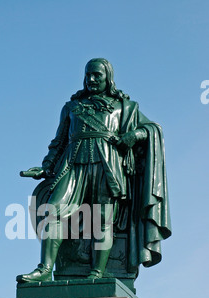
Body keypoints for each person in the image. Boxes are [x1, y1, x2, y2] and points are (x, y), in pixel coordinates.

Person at [16, 58, 171, 283]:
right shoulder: (72, 107)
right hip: (73, 162)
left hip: (107, 164)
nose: (91, 79)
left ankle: (97, 272)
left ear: (108, 77)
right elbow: (59, 142)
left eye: (97, 75)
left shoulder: (125, 107)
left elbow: (152, 129)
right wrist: (46, 166)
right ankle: (45, 268)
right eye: (88, 74)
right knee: (53, 211)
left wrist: (132, 135)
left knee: (101, 219)